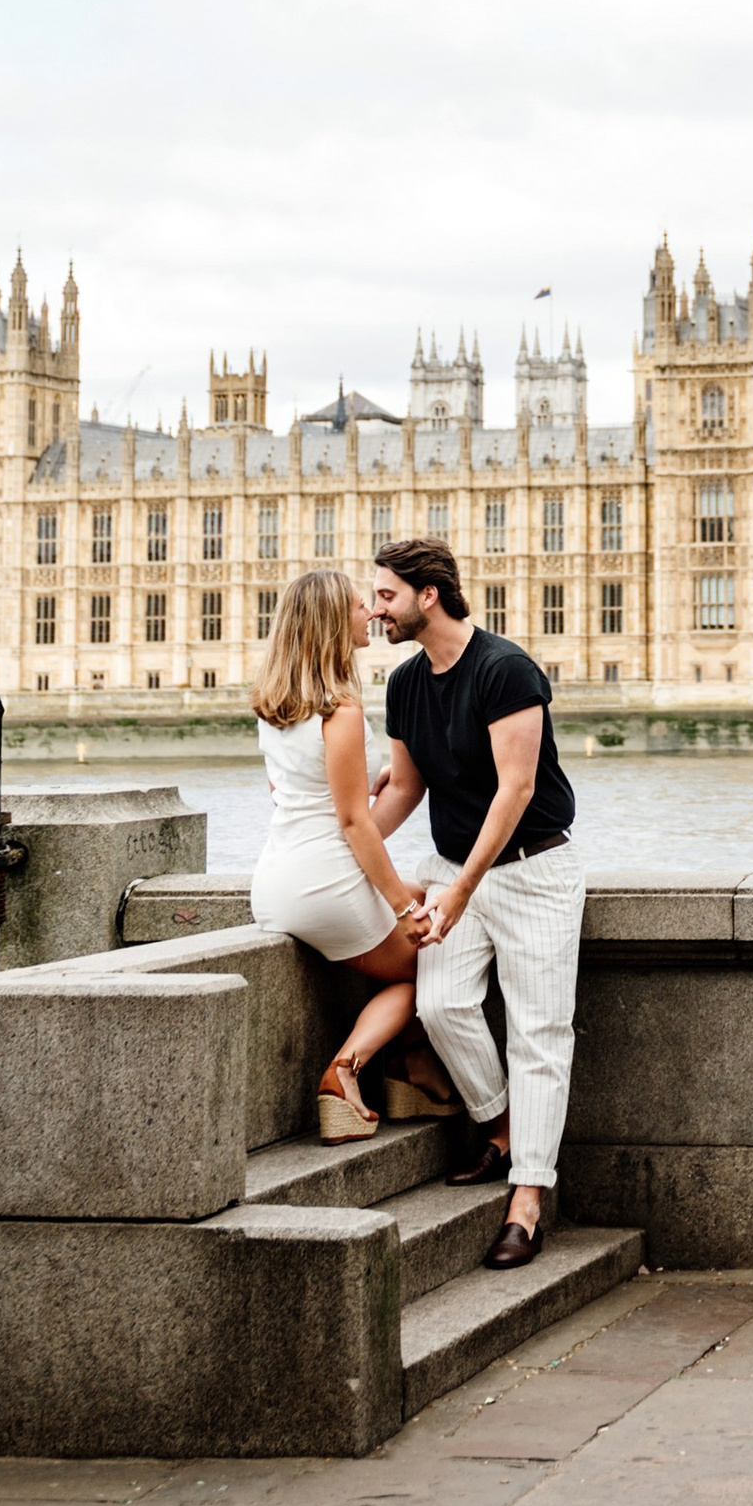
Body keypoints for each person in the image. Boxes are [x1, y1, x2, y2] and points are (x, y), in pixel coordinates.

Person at [368, 533, 582, 1268]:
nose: (375, 611)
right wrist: (337, 838)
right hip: (455, 868)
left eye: (386, 595)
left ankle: (527, 1199)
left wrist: (460, 891)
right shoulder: (402, 684)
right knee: (443, 1005)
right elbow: (403, 788)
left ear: (429, 595)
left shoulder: (506, 669)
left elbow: (516, 791)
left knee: (539, 1035)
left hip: (533, 873)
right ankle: (500, 1124)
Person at [247, 566, 429, 1142]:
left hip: (275, 882)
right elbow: (353, 824)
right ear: (331, 622)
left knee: (424, 914)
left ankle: (412, 1076)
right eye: (358, 606)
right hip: (327, 884)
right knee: (435, 966)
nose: (370, 613)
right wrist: (403, 905)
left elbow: (290, 792)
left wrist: (365, 778)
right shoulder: (340, 710)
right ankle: (346, 1074)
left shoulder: (275, 705)